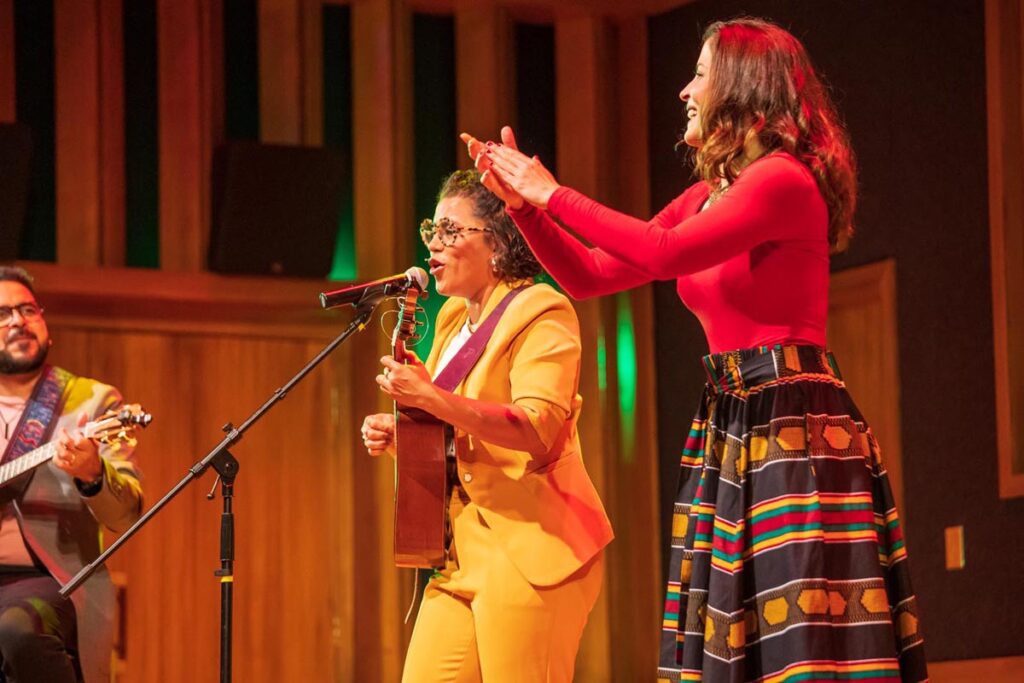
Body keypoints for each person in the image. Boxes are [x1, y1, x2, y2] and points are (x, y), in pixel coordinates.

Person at [464, 17, 927, 683]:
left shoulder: (782, 180)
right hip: (732, 422)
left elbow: (664, 252)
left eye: (701, 75)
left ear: (740, 89)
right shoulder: (709, 196)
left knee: (800, 635)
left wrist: (553, 191)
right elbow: (593, 274)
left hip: (791, 426)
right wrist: (528, 210)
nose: (684, 90)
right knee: (734, 633)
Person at [360, 170, 612, 683]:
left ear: (496, 243)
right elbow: (456, 429)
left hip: (530, 551)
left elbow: (535, 426)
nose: (433, 242)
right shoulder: (452, 318)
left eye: (453, 231)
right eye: (433, 228)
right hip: (459, 552)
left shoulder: (543, 312)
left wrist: (431, 397)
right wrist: (404, 435)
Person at [0, 265, 143, 683]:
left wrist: (92, 474)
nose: (18, 321)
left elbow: (125, 516)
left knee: (16, 631)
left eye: (28, 310)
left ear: (46, 326)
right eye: (3, 313)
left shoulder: (93, 402)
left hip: (47, 578)